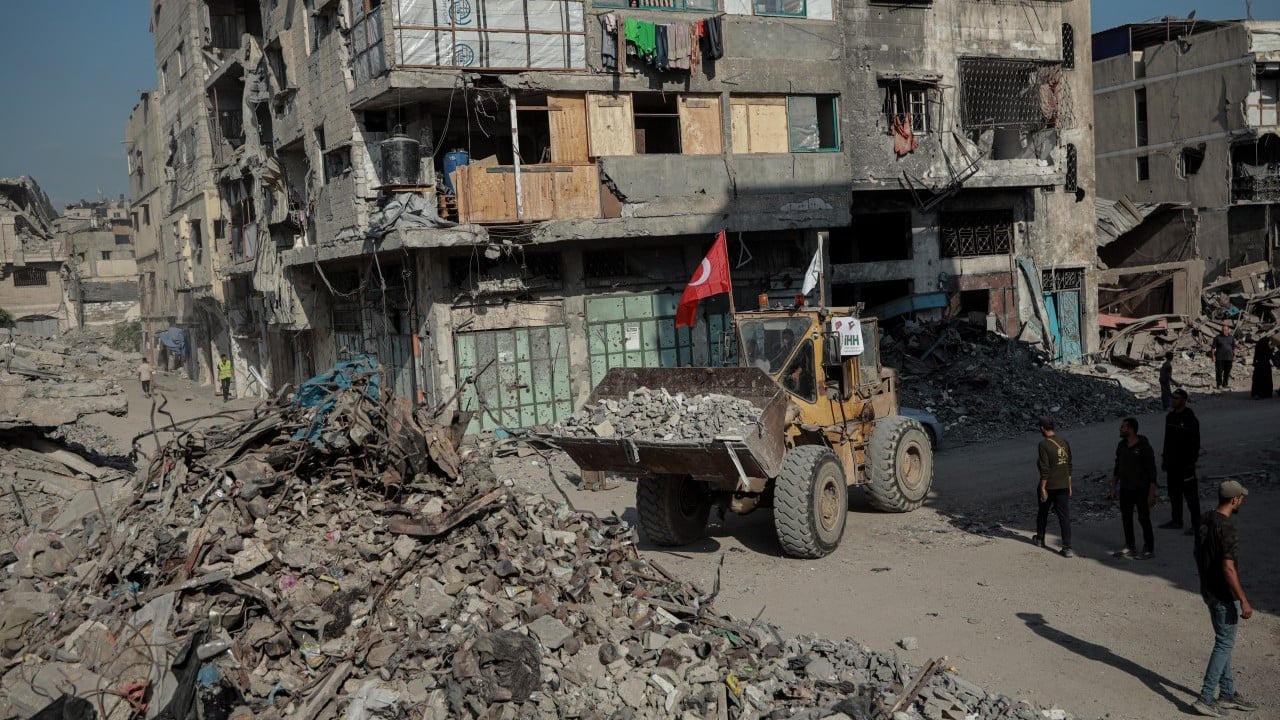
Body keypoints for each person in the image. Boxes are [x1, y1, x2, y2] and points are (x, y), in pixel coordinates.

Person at [1189, 480, 1258, 717]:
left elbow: (1198, 554)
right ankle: (1206, 697)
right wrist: (1244, 600)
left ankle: (1227, 693)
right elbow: (1229, 568)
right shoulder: (1227, 529)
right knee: (1224, 643)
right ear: (1234, 499)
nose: (1242, 501)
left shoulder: (1205, 519)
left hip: (1208, 590)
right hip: (1222, 594)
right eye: (1241, 497)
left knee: (1223, 640)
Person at [1108, 417, 1157, 559]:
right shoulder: (1121, 446)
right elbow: (1117, 468)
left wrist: (1151, 494)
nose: (1120, 429)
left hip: (1141, 489)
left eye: (1123, 427)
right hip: (1125, 489)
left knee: (1144, 518)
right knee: (1126, 518)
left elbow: (1152, 472)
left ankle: (1149, 548)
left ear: (1131, 429)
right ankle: (1130, 546)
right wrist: (1113, 488)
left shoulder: (1144, 447)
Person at [1159, 389, 1202, 535]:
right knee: (1174, 494)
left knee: (1191, 496)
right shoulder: (1170, 417)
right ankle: (1177, 520)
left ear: (1184, 400)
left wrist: (1191, 462)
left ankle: (1197, 525)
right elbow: (1167, 440)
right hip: (1172, 464)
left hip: (1185, 465)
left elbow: (1195, 443)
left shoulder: (1191, 419)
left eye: (1176, 398)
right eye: (1172, 398)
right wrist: (1165, 459)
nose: (1173, 400)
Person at [1033, 417, 1073, 557]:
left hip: (1049, 485)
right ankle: (1067, 547)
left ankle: (1040, 538)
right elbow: (1069, 465)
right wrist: (1069, 485)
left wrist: (1043, 488)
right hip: (1062, 485)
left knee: (1043, 512)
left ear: (1042, 428)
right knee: (1064, 517)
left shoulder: (1043, 445)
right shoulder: (1064, 442)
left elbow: (1044, 469)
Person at [1209, 324, 1235, 390]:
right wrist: (1213, 356)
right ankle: (1219, 384)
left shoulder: (1231, 338)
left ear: (1228, 330)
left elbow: (1233, 348)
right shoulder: (1217, 338)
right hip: (1219, 358)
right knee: (1219, 372)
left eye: (1226, 330)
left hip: (1229, 358)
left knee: (1227, 372)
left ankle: (1225, 384)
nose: (1224, 331)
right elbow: (1213, 348)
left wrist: (1235, 355)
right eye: (1223, 330)